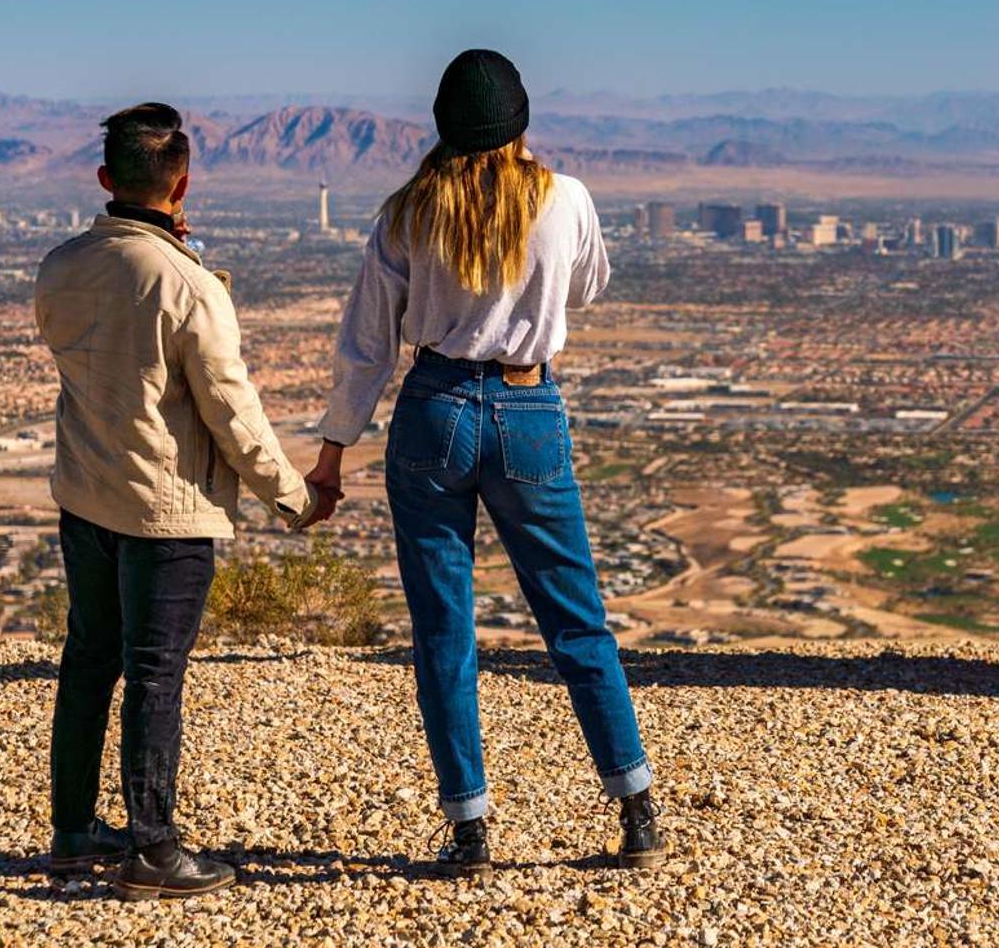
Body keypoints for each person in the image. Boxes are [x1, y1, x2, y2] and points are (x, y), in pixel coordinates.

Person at [304, 49, 667, 876]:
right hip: (528, 406)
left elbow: (366, 345)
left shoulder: (408, 212)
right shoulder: (566, 198)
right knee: (575, 615)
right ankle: (635, 806)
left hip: (434, 408)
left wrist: (332, 455)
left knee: (444, 626)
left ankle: (468, 827)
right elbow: (587, 287)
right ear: (520, 121)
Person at [34, 102, 338, 901]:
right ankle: (154, 848)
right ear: (184, 185)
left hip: (86, 497)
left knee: (88, 657)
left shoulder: (60, 266)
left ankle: (72, 830)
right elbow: (233, 413)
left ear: (105, 178)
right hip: (166, 513)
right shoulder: (188, 286)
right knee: (155, 675)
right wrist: (295, 497)